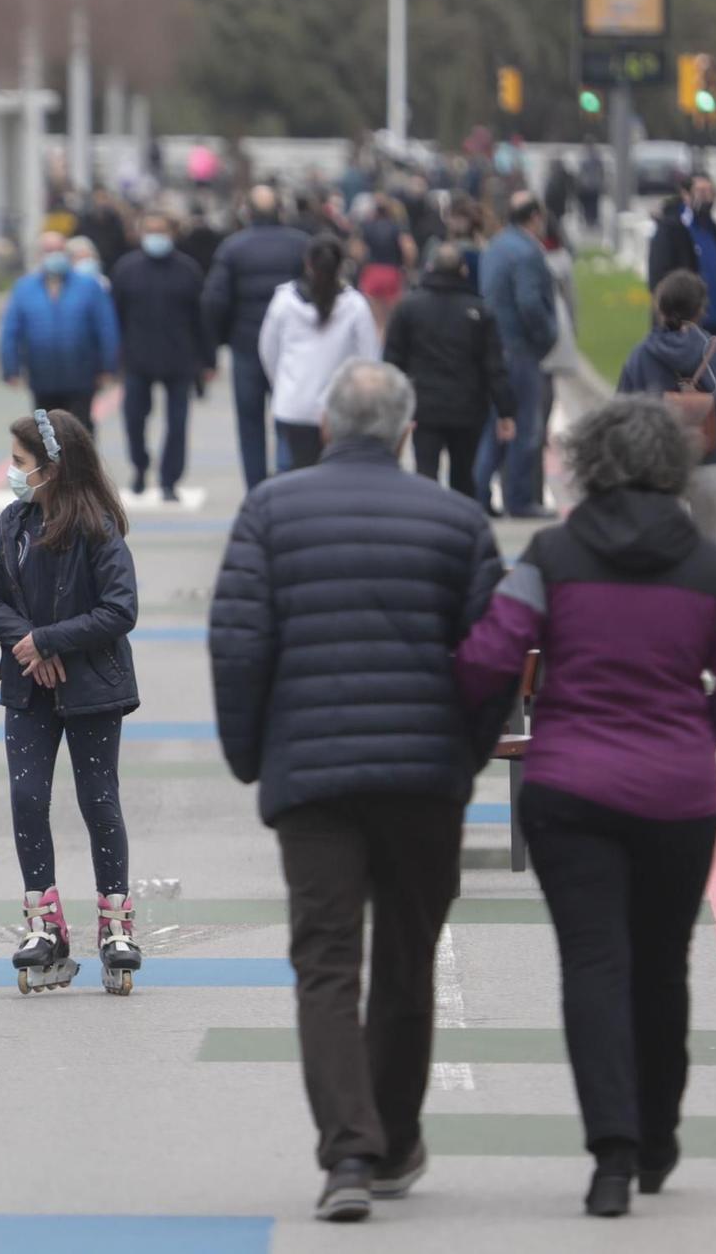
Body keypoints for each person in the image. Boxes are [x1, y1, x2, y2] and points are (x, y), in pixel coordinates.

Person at [455, 397, 716, 1217]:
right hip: (678, 796)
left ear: (588, 461)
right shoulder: (709, 566)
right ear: (670, 463)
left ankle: (612, 1157)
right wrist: (694, 734)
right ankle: (661, 1136)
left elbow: (492, 652)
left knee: (592, 963)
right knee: (663, 963)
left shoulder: (552, 554)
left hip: (568, 791)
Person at [210, 361, 506, 1224]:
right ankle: (395, 1138)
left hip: (312, 777)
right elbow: (492, 659)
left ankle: (346, 1150)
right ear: (409, 432)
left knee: (326, 961)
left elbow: (237, 643)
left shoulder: (270, 509)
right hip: (424, 779)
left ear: (326, 426)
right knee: (409, 959)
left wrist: (249, 755)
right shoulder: (459, 519)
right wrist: (468, 756)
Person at [0, 409, 142, 996]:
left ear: (51, 468)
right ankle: (45, 924)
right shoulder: (12, 525)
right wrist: (29, 648)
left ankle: (115, 922)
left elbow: (120, 609)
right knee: (27, 796)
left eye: (19, 465)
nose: (13, 475)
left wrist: (49, 640)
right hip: (28, 688)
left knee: (99, 799)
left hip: (93, 688)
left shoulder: (97, 527)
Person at [619, 271, 716, 538]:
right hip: (714, 467)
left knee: (663, 554)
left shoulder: (640, 356)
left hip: (659, 470)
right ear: (701, 309)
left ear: (659, 307)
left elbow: (619, 417)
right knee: (708, 553)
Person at [385, 244, 517, 497]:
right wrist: (505, 411)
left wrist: (395, 406)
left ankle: (426, 522)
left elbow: (393, 360)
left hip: (424, 405)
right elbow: (493, 366)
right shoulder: (479, 311)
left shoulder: (409, 307)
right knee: (463, 474)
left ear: (430, 268)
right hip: (467, 406)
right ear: (464, 271)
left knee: (425, 471)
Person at [204, 184, 311, 488]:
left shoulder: (232, 248)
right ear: (281, 210)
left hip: (246, 345)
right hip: (292, 349)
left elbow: (215, 300)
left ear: (246, 212)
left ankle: (257, 492)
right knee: (289, 420)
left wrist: (222, 338)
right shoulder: (301, 245)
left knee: (250, 425)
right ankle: (287, 485)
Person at [111, 212, 214, 499]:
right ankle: (140, 467)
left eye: (161, 231)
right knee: (134, 419)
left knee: (178, 424)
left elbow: (200, 318)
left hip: (179, 358)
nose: (156, 237)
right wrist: (113, 358)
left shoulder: (188, 270)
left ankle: (169, 480)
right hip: (136, 359)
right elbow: (114, 317)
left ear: (172, 233)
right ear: (141, 234)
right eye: (150, 231)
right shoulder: (126, 269)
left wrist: (208, 360)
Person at [259, 232, 381, 472]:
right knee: (334, 480)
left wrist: (283, 382)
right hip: (339, 409)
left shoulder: (284, 301)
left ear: (307, 263)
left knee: (290, 480)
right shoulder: (355, 305)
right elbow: (370, 360)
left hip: (292, 404)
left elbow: (268, 350)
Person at [475, 194, 559, 518]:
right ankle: (520, 500)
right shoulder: (528, 253)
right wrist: (548, 336)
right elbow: (530, 303)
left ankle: (480, 493)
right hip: (520, 348)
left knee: (495, 426)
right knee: (526, 428)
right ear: (536, 217)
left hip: (494, 346)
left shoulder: (495, 246)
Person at [0, 231, 121, 429]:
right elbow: (11, 330)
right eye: (48, 250)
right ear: (40, 255)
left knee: (79, 428)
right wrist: (10, 368)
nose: (54, 255)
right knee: (47, 433)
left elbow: (106, 327)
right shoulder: (24, 288)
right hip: (42, 375)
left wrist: (108, 366)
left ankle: (81, 460)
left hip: (82, 374)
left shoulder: (89, 286)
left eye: (58, 250)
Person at [647, 174, 716, 348]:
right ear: (686, 195)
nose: (706, 197)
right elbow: (658, 279)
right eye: (701, 191)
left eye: (710, 191)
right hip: (681, 329)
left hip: (715, 326)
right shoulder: (670, 230)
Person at [352, 194, 418, 329]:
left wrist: (362, 263)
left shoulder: (366, 227)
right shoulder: (398, 227)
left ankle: (375, 345)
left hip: (372, 272)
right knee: (391, 319)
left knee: (373, 319)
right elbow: (409, 250)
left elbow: (356, 251)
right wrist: (408, 267)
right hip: (392, 272)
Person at [576, 140, 606, 239]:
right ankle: (590, 220)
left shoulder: (586, 157)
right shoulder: (594, 157)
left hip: (590, 187)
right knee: (590, 205)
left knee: (591, 205)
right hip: (590, 187)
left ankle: (591, 221)